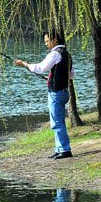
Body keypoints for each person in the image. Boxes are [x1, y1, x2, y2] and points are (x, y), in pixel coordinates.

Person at [14, 29, 73, 159]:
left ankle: (65, 149)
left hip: (56, 93)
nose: (46, 44)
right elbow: (71, 74)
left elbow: (40, 68)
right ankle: (59, 148)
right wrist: (53, 77)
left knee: (56, 123)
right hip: (64, 91)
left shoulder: (55, 54)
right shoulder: (67, 54)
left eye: (47, 41)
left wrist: (24, 64)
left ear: (55, 39)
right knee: (59, 121)